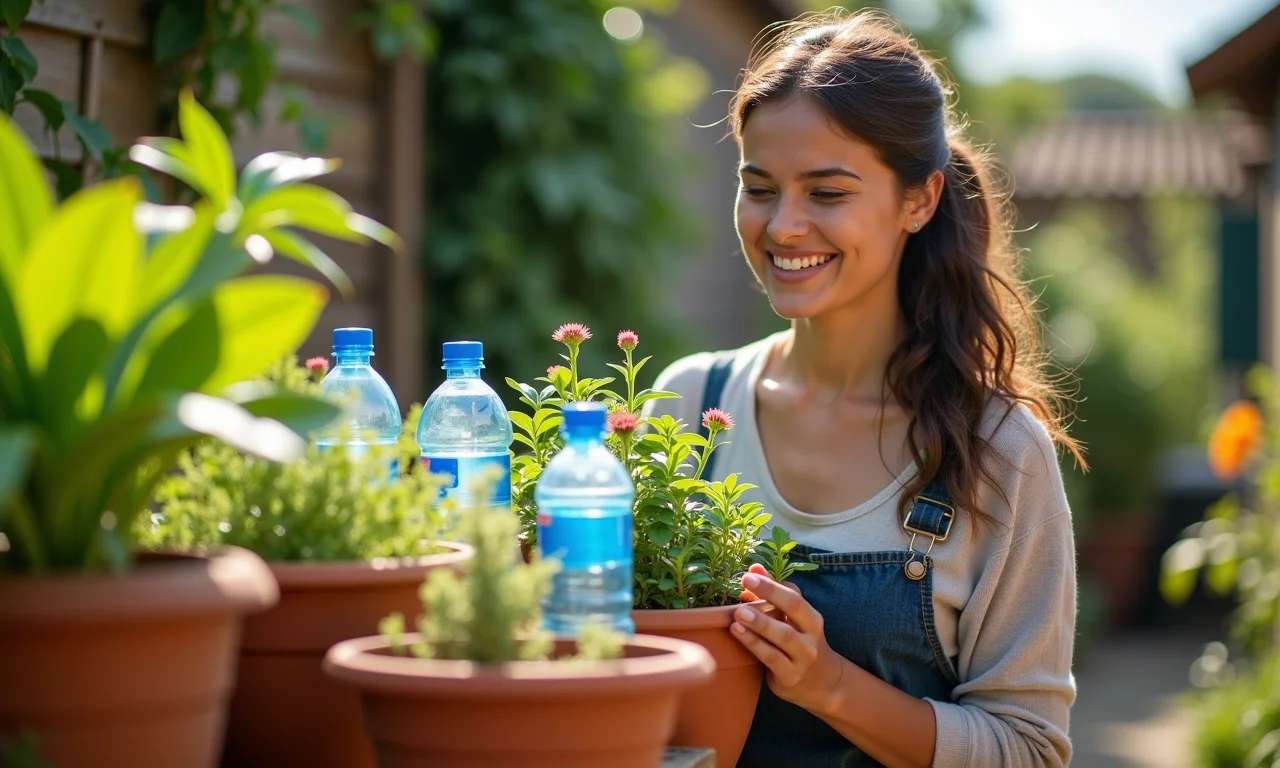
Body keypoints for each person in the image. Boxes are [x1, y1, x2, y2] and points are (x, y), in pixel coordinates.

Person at [645, 10, 1084, 768]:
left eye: (826, 193)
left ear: (918, 200)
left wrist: (828, 685)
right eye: (760, 187)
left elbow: (1029, 749)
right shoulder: (689, 404)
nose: (783, 226)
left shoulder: (998, 452)